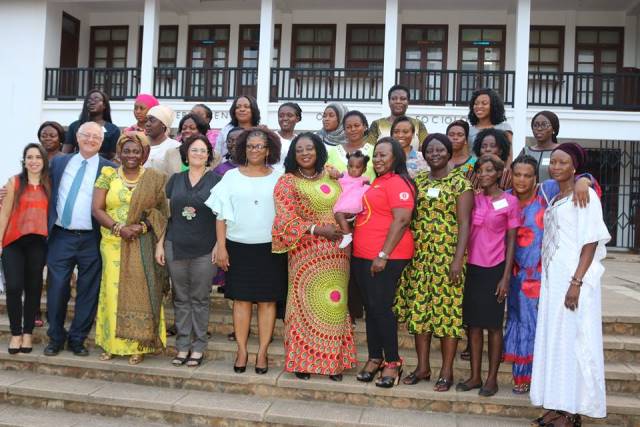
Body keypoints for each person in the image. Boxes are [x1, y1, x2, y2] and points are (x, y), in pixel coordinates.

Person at [531, 143, 610, 425]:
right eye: (553, 162)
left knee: (575, 342)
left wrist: (576, 281)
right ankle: (557, 404)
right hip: (554, 281)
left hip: (574, 279)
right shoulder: (556, 196)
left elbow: (590, 240)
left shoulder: (584, 193)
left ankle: (572, 411)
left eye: (563, 162)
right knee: (556, 341)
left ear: (575, 167)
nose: (556, 166)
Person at [504, 154, 596, 394]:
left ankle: (537, 378)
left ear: (536, 178)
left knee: (538, 325)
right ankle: (523, 376)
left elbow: (577, 177)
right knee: (520, 321)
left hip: (544, 275)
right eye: (517, 175)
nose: (521, 180)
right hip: (515, 275)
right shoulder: (507, 198)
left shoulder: (546, 192)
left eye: (527, 175)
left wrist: (584, 181)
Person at [273, 132, 357, 381]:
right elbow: (285, 219)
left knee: (335, 304)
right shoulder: (286, 182)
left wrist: (347, 222)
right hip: (305, 251)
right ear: (293, 154)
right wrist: (318, 229)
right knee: (304, 306)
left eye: (310, 148)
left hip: (337, 253)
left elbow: (349, 201)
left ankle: (334, 363)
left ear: (319, 151)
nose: (305, 153)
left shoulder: (332, 176)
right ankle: (302, 360)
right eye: (300, 150)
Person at [394, 133, 473, 391]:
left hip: (447, 259)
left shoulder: (461, 184)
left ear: (449, 153)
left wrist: (457, 260)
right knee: (420, 314)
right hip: (419, 258)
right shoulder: (418, 182)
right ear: (424, 155)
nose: (435, 154)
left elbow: (464, 224)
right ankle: (423, 367)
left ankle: (447, 371)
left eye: (440, 150)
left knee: (447, 315)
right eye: (430, 150)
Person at [206, 127, 285, 375]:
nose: (254, 150)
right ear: (243, 149)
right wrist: (221, 246)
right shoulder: (230, 177)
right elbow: (220, 215)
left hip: (271, 248)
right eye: (250, 146)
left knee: (267, 301)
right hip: (238, 247)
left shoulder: (280, 176)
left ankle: (262, 352)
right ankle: (242, 350)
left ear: (269, 149)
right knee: (240, 301)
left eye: (259, 146)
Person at [92, 133, 169, 365]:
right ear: (119, 153)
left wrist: (142, 227)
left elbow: (161, 213)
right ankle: (110, 344)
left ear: (145, 154)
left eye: (137, 151)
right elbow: (97, 209)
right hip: (113, 244)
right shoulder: (107, 175)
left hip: (141, 242)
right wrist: (118, 229)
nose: (131, 156)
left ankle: (139, 344)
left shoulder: (155, 178)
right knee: (111, 293)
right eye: (127, 151)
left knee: (141, 292)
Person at [45, 121, 117, 357]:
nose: (91, 140)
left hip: (92, 239)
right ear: (77, 137)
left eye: (96, 137)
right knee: (56, 288)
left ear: (101, 141)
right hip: (61, 236)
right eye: (86, 135)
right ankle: (55, 336)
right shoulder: (59, 162)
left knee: (88, 290)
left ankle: (77, 338)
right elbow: (36, 183)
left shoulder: (109, 169)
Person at [352, 137, 415, 388]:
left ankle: (393, 362)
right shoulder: (378, 181)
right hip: (363, 256)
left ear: (396, 158)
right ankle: (375, 357)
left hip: (386, 256)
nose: (378, 159)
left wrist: (383, 255)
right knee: (371, 308)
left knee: (381, 308)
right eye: (376, 155)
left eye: (384, 155)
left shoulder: (399, 182)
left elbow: (401, 220)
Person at [456, 154, 520, 397]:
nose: (483, 174)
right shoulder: (472, 199)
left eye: (488, 170)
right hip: (472, 268)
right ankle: (475, 376)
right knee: (473, 325)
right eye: (480, 170)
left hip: (496, 268)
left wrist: (505, 278)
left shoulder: (510, 201)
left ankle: (492, 379)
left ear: (499, 173)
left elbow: (512, 241)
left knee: (493, 326)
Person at [156, 134, 220, 367]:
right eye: (194, 150)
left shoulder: (216, 181)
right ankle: (182, 346)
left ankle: (199, 346)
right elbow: (166, 214)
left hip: (205, 247)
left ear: (209, 156)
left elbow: (222, 217)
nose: (199, 154)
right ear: (186, 154)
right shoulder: (175, 180)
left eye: (203, 151)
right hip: (175, 244)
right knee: (180, 297)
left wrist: (218, 246)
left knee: (200, 298)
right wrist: (160, 244)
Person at [0, 143, 50, 354]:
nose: (34, 161)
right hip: (13, 242)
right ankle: (16, 333)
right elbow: (4, 213)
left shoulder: (50, 184)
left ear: (43, 161)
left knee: (33, 289)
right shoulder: (15, 182)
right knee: (13, 288)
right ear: (24, 160)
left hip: (38, 243)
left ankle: (28, 333)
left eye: (38, 157)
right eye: (29, 157)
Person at [63, 89, 120, 160]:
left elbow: (114, 157)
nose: (92, 102)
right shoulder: (74, 126)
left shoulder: (113, 130)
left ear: (104, 105)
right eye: (89, 100)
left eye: (96, 99)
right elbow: (65, 153)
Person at [333, 150, 370, 248]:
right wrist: (333, 174)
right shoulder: (343, 175)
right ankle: (346, 232)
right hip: (344, 202)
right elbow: (335, 177)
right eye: (351, 166)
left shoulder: (364, 180)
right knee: (337, 216)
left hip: (353, 204)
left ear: (364, 169)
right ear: (347, 166)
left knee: (338, 214)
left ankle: (347, 235)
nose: (353, 169)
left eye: (357, 167)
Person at [327, 110, 376, 181]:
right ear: (344, 130)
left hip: (368, 192)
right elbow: (325, 174)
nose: (353, 129)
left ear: (365, 127)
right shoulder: (333, 152)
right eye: (348, 127)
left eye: (356, 126)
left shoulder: (374, 151)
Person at [467, 88, 513, 153]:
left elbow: (509, 156)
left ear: (493, 106)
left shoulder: (504, 128)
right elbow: (469, 156)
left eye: (484, 103)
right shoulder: (469, 130)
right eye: (476, 103)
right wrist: (476, 163)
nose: (479, 106)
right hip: (473, 163)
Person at [521, 111, 560, 181]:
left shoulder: (561, 150)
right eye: (536, 125)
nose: (539, 129)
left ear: (553, 129)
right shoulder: (526, 151)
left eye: (544, 125)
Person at [144, 105, 180, 172]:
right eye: (146, 120)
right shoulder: (139, 143)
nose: (147, 124)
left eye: (152, 120)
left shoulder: (175, 147)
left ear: (163, 124)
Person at [276, 102, 302, 168]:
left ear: (297, 119)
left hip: (292, 177)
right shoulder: (271, 137)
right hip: (272, 177)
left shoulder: (300, 141)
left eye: (289, 115)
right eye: (281, 116)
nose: (285, 118)